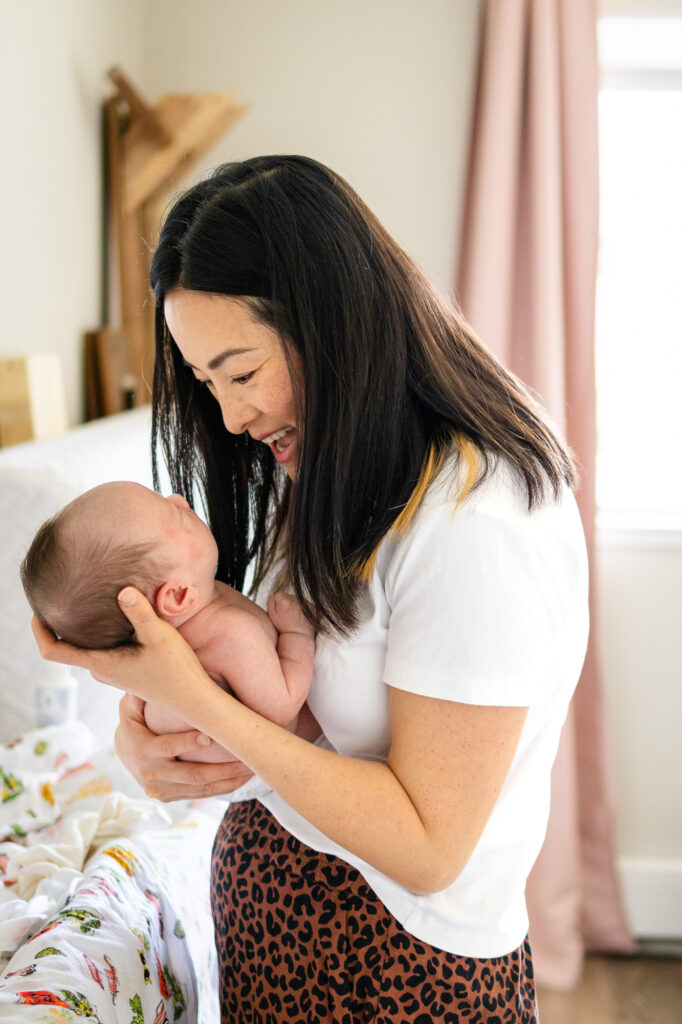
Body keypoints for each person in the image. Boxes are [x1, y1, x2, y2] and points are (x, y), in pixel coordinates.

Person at [33, 155, 589, 1023]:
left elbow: (430, 847)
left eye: (240, 373)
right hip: (281, 937)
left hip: (400, 972)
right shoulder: (330, 459)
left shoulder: (476, 521)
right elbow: (305, 719)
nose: (229, 420)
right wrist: (156, 745)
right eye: (207, 384)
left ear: (332, 322)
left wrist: (198, 706)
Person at [21, 480, 314, 763]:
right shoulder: (233, 634)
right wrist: (296, 633)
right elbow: (283, 708)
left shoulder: (180, 629)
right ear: (176, 595)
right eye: (176, 514)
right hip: (268, 781)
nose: (179, 499)